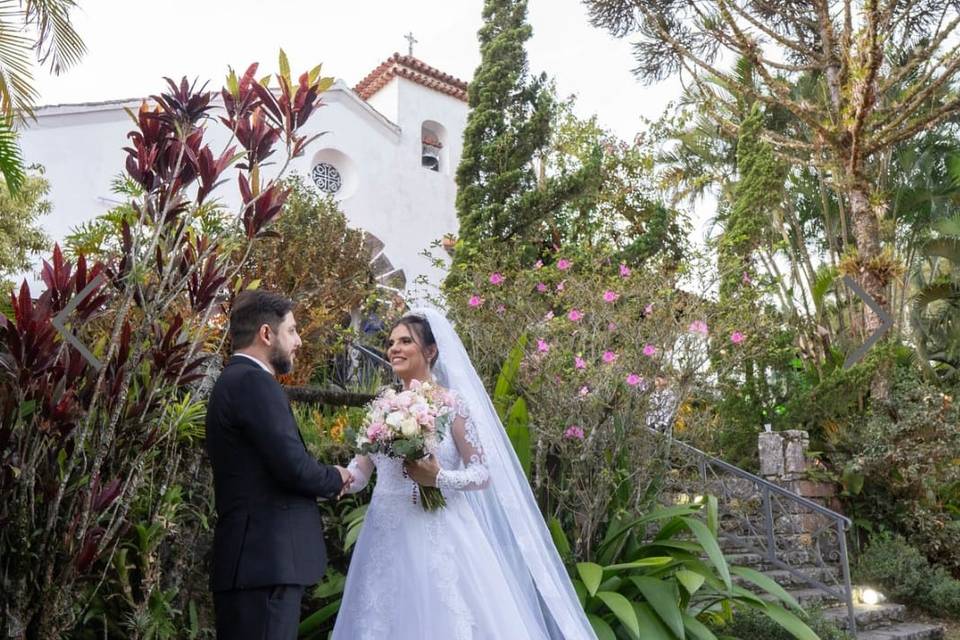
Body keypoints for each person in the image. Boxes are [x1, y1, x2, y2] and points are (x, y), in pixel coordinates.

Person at [332, 308, 596, 639]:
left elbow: (482, 472)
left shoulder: (452, 404)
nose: (394, 348)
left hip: (437, 530)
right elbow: (360, 472)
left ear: (430, 351)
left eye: (405, 341)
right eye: (391, 342)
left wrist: (438, 478)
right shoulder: (382, 406)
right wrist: (336, 476)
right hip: (385, 533)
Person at [205, 290, 352, 640]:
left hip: (253, 566)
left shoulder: (234, 381)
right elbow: (292, 466)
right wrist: (337, 477)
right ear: (266, 334)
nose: (298, 341)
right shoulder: (254, 383)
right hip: (264, 564)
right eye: (293, 331)